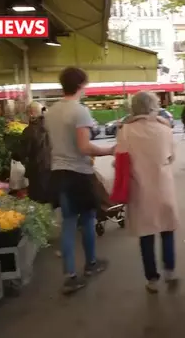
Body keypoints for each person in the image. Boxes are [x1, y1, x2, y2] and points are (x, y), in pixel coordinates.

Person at [44, 67, 113, 295]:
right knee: (88, 219)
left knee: (68, 223)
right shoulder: (80, 111)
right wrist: (110, 150)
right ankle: (91, 264)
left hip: (58, 173)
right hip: (79, 174)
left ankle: (70, 276)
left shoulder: (50, 112)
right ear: (82, 84)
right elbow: (84, 147)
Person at [116, 91, 179, 293]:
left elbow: (120, 159)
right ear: (154, 106)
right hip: (163, 186)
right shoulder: (164, 129)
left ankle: (152, 279)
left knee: (146, 234)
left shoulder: (125, 130)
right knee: (167, 228)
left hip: (139, 188)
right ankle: (170, 270)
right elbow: (171, 157)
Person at [14, 102, 52, 204]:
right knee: (49, 199)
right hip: (52, 167)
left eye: (27, 113)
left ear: (31, 114)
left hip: (37, 170)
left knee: (38, 200)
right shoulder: (50, 127)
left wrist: (15, 155)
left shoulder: (29, 130)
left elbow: (21, 152)